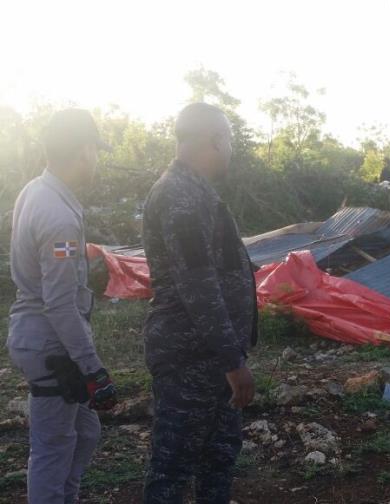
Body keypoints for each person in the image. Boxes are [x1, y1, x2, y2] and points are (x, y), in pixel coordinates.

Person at [142, 103, 257, 503]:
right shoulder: (181, 197)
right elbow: (199, 285)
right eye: (229, 141)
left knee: (218, 459)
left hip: (211, 360)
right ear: (216, 140)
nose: (230, 150)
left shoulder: (196, 192)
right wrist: (233, 361)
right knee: (172, 470)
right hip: (191, 359)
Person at [6, 109, 118, 503]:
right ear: (85, 152)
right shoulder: (59, 218)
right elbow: (59, 304)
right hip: (51, 341)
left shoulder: (36, 190)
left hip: (42, 332)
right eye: (96, 151)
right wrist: (93, 368)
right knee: (53, 447)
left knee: (86, 432)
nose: (97, 160)